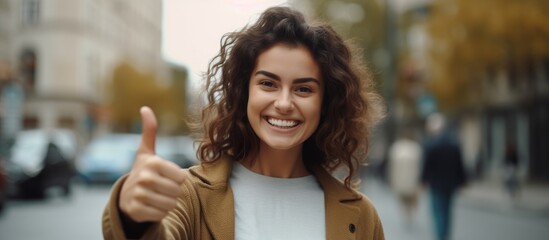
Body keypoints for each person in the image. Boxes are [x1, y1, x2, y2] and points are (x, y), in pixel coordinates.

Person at [102, 6, 385, 240]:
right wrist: (134, 218)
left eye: (303, 89)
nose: (284, 103)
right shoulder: (191, 196)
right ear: (244, 91)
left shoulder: (361, 215)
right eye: (268, 84)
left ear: (325, 104)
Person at [420, 113, 466, 240]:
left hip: (436, 183)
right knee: (447, 209)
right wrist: (462, 182)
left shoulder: (432, 144)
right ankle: (445, 233)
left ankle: (441, 235)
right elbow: (460, 164)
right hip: (450, 183)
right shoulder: (453, 143)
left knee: (438, 210)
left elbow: (427, 165)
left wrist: (423, 180)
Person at [387, 129, 422, 227]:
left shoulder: (396, 148)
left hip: (399, 179)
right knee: (412, 200)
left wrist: (391, 179)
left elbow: (391, 167)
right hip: (413, 179)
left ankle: (405, 216)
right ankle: (411, 216)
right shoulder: (415, 148)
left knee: (402, 199)